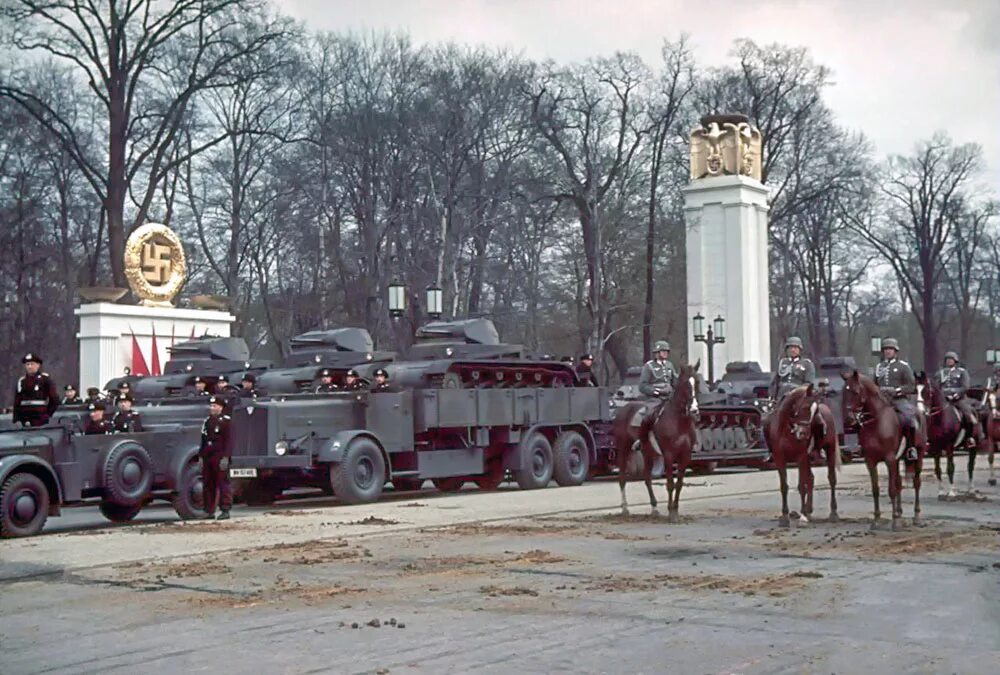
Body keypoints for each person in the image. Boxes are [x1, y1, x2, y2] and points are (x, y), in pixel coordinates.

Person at [874, 338, 918, 459]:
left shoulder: (903, 366)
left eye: (890, 349)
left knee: (909, 419)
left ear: (895, 351)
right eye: (885, 349)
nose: (887, 351)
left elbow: (911, 386)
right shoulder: (879, 367)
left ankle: (911, 447)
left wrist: (897, 390)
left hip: (898, 399)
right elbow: (874, 384)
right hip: (882, 400)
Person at [200, 395, 233, 520]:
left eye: (214, 406)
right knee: (208, 484)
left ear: (220, 407)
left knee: (223, 483)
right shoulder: (207, 421)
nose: (212, 408)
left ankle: (225, 509)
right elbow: (203, 440)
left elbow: (229, 441)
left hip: (220, 457)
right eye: (211, 406)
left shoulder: (226, 422)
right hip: (208, 456)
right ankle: (209, 510)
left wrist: (226, 457)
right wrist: (201, 457)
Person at [937, 351, 978, 443]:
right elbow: (937, 387)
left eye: (951, 359)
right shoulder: (941, 373)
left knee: (968, 414)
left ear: (955, 361)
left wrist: (956, 394)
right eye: (947, 360)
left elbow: (965, 386)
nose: (949, 361)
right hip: (944, 400)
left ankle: (970, 437)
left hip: (958, 399)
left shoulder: (962, 372)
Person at [13, 352, 59, 427]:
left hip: (40, 418)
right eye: (27, 364)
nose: (29, 367)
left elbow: (54, 399)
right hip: (24, 418)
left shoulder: (45, 379)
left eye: (32, 364)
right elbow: (17, 402)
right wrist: (16, 419)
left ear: (38, 365)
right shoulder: (22, 381)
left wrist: (47, 414)